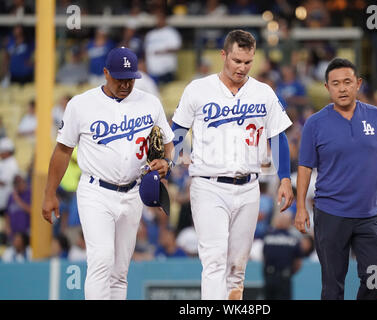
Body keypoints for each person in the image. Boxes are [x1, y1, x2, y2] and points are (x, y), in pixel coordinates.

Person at [41, 47, 175, 300]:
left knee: (120, 270)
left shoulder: (150, 102)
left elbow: (169, 141)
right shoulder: (81, 105)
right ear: (105, 73)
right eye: (119, 78)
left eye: (130, 79)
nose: (125, 84)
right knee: (101, 260)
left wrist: (167, 161)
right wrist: (49, 193)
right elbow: (61, 151)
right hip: (96, 191)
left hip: (134, 191)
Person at [171, 30, 294, 300]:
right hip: (209, 185)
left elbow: (278, 136)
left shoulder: (263, 92)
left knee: (238, 268)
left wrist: (284, 178)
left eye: (248, 62)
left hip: (249, 186)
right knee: (214, 261)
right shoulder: (199, 89)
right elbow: (178, 127)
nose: (242, 67)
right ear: (223, 55)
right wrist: (179, 155)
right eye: (237, 60)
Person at [295, 58, 377, 300]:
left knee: (376, 273)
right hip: (330, 215)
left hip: (368, 215)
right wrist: (300, 208)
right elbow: (305, 167)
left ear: (358, 83)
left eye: (347, 82)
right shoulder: (315, 124)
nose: (342, 88)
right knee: (332, 287)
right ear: (327, 88)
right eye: (335, 83)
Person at [263, 213, 303, 300]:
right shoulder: (294, 239)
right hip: (285, 277)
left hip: (270, 275)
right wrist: (289, 273)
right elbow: (298, 263)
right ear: (289, 223)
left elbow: (264, 257)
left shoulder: (268, 237)